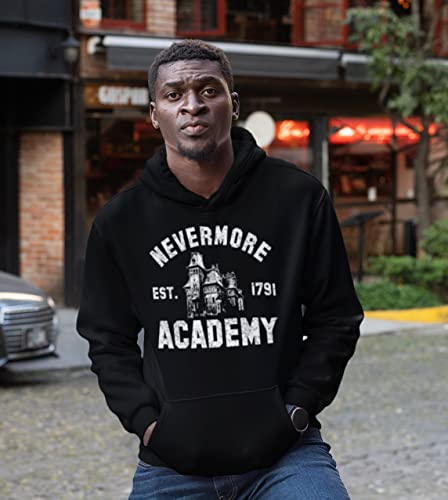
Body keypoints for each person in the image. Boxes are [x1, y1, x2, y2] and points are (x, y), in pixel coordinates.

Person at [76, 39, 364, 499]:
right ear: (154, 114)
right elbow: (106, 339)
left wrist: (297, 409)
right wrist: (148, 425)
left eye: (208, 90)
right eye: (174, 95)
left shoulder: (298, 199)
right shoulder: (121, 221)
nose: (192, 105)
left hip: (285, 457)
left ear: (234, 104)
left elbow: (336, 317)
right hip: (172, 465)